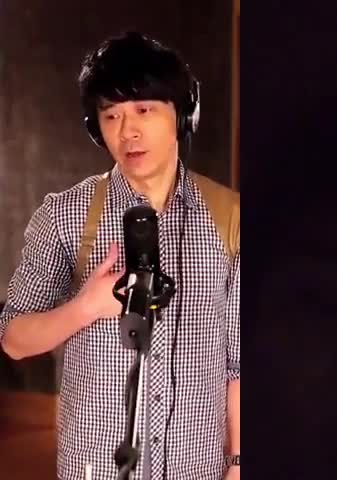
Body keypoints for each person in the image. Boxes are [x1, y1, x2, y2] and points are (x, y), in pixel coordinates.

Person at [0, 31, 240, 480]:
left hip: (196, 468)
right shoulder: (64, 216)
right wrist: (84, 308)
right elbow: (13, 339)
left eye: (143, 110)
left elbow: (238, 362)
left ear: (182, 114)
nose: (127, 131)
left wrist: (238, 462)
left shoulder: (229, 219)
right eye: (111, 115)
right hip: (96, 468)